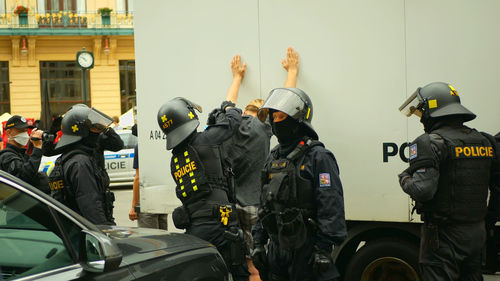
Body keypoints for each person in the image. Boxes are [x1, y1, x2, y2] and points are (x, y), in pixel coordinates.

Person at [397, 82, 500, 280]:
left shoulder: (430, 142)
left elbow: (422, 190)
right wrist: (487, 222)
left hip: (443, 236)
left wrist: (404, 178)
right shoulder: (485, 140)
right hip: (476, 234)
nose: (421, 119)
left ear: (432, 111)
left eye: (422, 112)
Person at [251, 88, 347, 281]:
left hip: (308, 248)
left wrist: (323, 249)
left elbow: (331, 204)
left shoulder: (318, 156)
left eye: (281, 116)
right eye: (273, 117)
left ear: (297, 119)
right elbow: (264, 204)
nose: (275, 122)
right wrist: (259, 242)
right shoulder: (274, 157)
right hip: (277, 250)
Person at [225, 48, 299, 280]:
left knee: (244, 264)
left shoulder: (231, 127)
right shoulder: (264, 130)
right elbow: (287, 103)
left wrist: (237, 77)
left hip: (234, 206)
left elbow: (228, 103)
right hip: (256, 206)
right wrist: (293, 71)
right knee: (259, 265)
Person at [157, 96, 249, 281]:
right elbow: (232, 123)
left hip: (196, 228)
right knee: (239, 273)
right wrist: (229, 108)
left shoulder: (176, 158)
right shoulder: (205, 140)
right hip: (221, 225)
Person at [48, 105, 116, 225]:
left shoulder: (72, 158)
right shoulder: (80, 163)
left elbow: (117, 144)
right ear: (81, 131)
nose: (98, 132)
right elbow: (91, 206)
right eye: (94, 128)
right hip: (86, 233)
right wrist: (105, 233)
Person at [129, 124, 169, 229]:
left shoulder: (141, 147)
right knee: (164, 238)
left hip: (147, 200)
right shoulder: (161, 145)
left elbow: (138, 178)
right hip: (161, 199)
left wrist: (134, 206)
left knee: (150, 240)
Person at [0, 115, 49, 193]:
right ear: (9, 133)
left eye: (26, 131)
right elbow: (25, 177)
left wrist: (32, 145)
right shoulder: (7, 156)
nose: (25, 134)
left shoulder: (19, 153)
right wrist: (37, 148)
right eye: (21, 131)